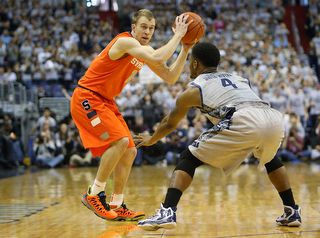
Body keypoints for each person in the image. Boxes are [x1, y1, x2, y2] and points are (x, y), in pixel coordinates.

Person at [134, 43, 301, 230]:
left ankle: (167, 212)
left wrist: (152, 139)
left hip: (243, 117)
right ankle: (292, 210)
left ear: (195, 64)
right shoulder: (239, 78)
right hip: (272, 117)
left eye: (190, 62)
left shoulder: (194, 89)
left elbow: (169, 123)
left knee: (188, 158)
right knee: (269, 157)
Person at [70, 9, 194, 221]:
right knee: (120, 141)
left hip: (106, 101)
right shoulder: (124, 42)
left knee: (129, 151)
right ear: (134, 27)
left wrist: (184, 49)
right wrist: (179, 34)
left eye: (152, 28)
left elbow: (171, 76)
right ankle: (93, 194)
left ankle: (117, 205)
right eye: (144, 27)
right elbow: (159, 55)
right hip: (87, 97)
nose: (147, 32)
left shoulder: (144, 50)